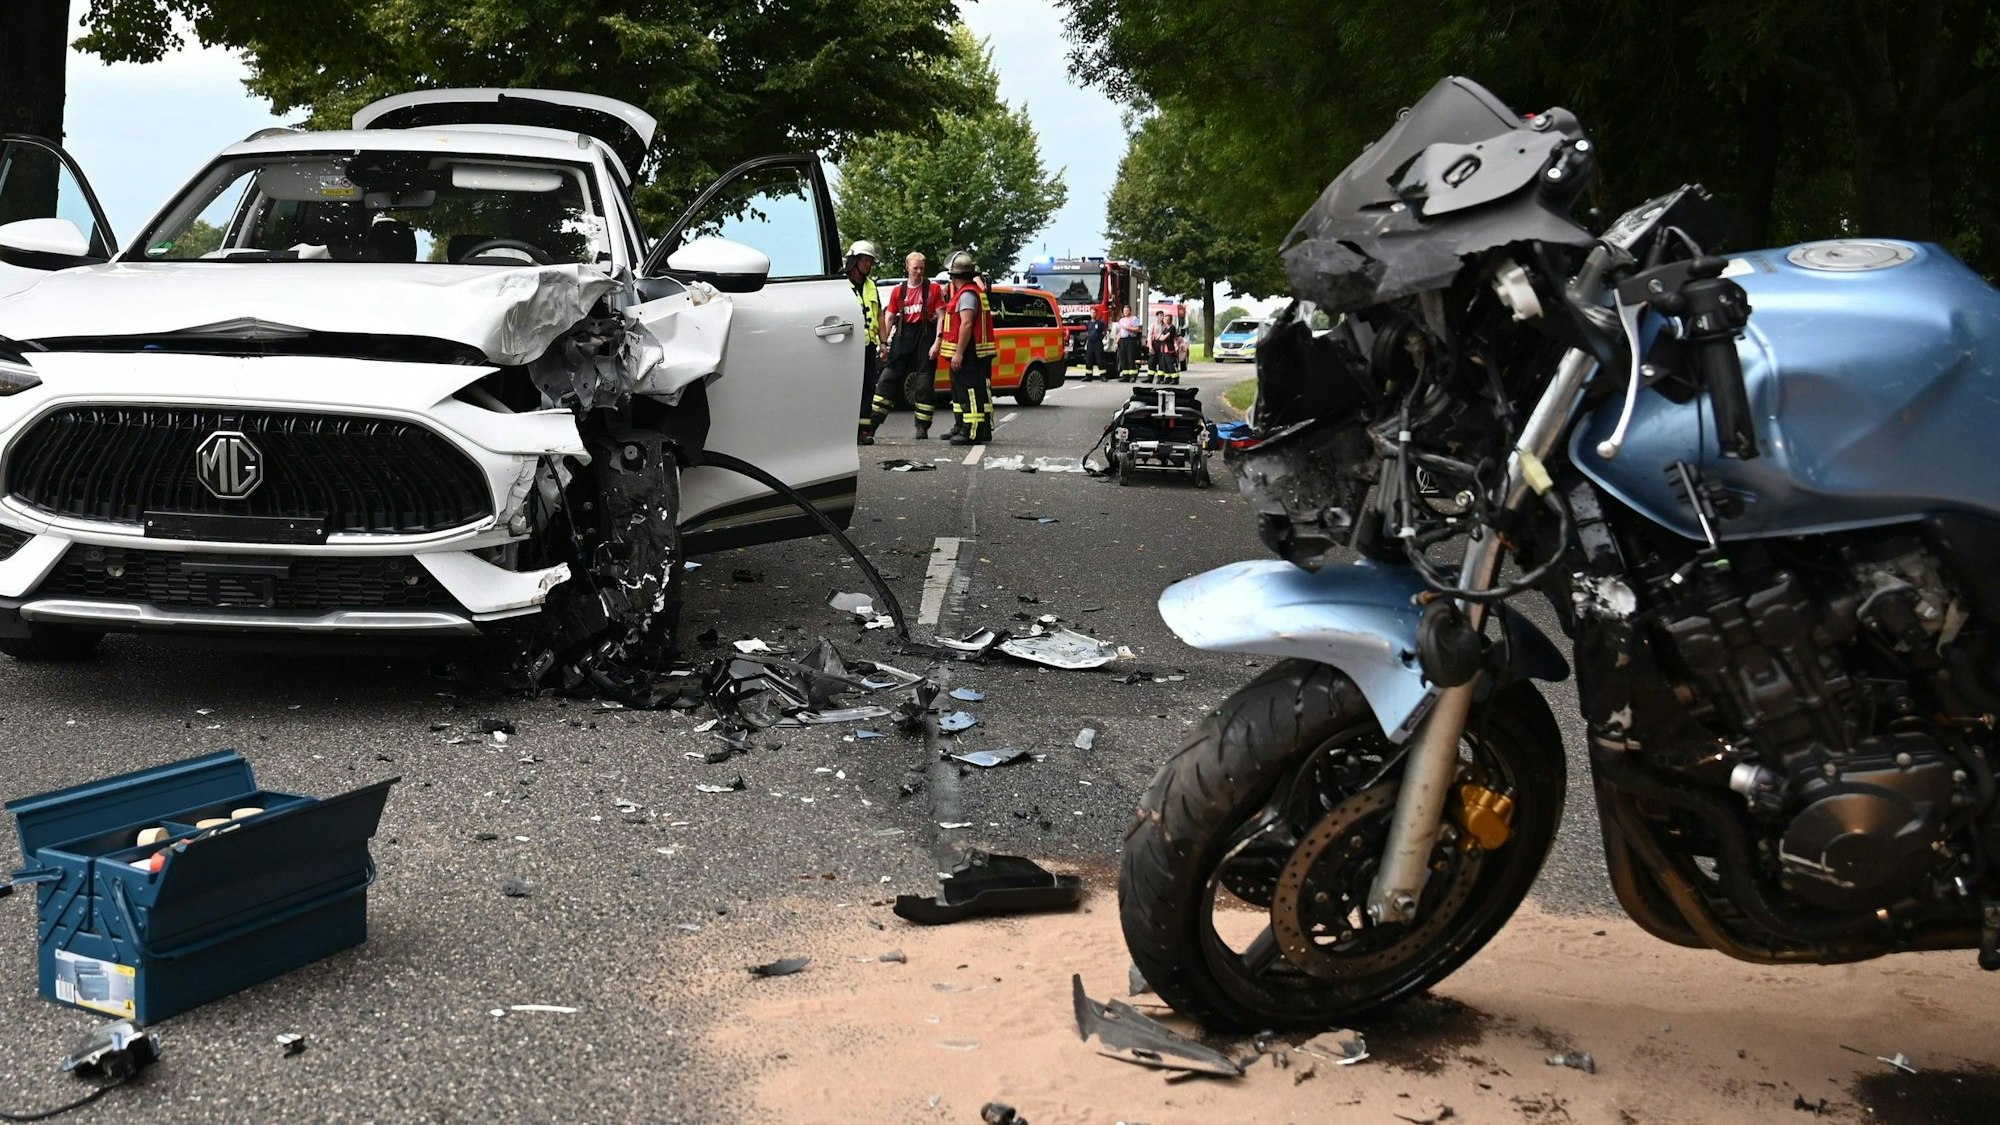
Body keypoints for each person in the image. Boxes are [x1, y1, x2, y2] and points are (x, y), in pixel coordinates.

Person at [867, 251, 947, 439]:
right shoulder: (898, 291)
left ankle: (922, 427)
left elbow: (942, 316)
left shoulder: (933, 289)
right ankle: (872, 424)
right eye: (915, 268)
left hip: (925, 338)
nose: (919, 272)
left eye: (921, 268)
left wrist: (938, 342)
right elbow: (888, 317)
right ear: (907, 268)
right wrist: (884, 343)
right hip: (903, 338)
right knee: (887, 380)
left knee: (923, 385)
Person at [940, 249, 997, 446]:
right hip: (973, 351)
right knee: (961, 391)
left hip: (969, 352)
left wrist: (958, 353)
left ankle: (971, 432)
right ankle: (964, 426)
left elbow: (966, 324)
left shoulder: (967, 295)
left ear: (954, 276)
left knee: (970, 392)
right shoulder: (970, 293)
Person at [846, 240, 883, 445]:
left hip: (868, 346)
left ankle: (864, 430)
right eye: (866, 261)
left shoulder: (871, 286)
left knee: (868, 386)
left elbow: (879, 315)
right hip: (847, 347)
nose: (869, 265)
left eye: (871, 262)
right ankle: (847, 429)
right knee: (849, 387)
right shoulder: (842, 285)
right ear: (855, 261)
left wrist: (884, 343)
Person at [1114, 305, 1142, 382]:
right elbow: (1119, 332)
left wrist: (1128, 328)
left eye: (1127, 311)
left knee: (1130, 357)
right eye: (1124, 311)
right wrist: (1116, 342)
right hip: (1122, 340)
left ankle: (1133, 376)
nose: (1125, 312)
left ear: (1130, 311)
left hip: (1131, 339)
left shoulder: (1134, 319)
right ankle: (1125, 375)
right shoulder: (1121, 320)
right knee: (1123, 358)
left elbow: (1138, 329)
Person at [1083, 314, 1106, 381]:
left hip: (1098, 343)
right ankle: (1088, 376)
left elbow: (1104, 332)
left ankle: (1103, 376)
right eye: (1091, 313)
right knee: (1089, 360)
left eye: (1094, 313)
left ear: (1096, 314)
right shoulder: (1088, 323)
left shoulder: (1100, 322)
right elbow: (1087, 331)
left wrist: (1100, 338)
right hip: (1090, 343)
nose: (1093, 314)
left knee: (1100, 360)